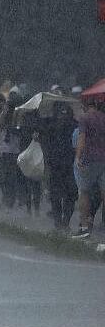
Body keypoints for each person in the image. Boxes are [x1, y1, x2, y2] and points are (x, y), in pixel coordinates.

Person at [38, 102, 78, 229]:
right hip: (62, 165)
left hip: (64, 165)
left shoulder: (53, 126)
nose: (62, 115)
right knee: (64, 194)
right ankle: (62, 222)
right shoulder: (52, 125)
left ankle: (62, 222)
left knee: (64, 195)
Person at [71, 98, 105, 239]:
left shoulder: (84, 118)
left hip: (88, 159)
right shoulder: (103, 117)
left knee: (84, 192)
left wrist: (78, 157)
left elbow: (82, 138)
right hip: (104, 158)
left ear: (84, 106)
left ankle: (84, 227)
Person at [0, 94, 22, 209]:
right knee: (3, 178)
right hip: (1, 151)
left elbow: (15, 129)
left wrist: (6, 111)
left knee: (10, 177)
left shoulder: (15, 115)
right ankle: (6, 199)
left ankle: (11, 200)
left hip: (12, 151)